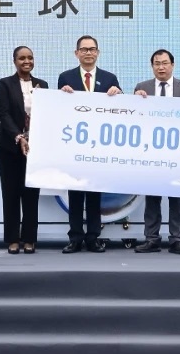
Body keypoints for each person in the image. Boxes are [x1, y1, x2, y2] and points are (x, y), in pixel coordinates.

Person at [56, 35, 122, 253]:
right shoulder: (65, 78)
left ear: (98, 53)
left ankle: (93, 237)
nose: (88, 53)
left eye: (92, 49)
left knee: (94, 193)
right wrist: (61, 95)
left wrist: (119, 94)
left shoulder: (109, 78)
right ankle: (75, 237)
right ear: (76, 53)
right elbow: (59, 109)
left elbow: (122, 109)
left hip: (99, 146)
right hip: (75, 144)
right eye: (84, 49)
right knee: (75, 193)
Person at [132, 49, 180, 255]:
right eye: (157, 63)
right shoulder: (142, 88)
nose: (161, 67)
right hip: (151, 152)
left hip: (177, 153)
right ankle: (152, 239)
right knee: (152, 198)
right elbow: (133, 116)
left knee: (177, 197)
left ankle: (177, 240)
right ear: (152, 66)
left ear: (172, 65)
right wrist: (134, 100)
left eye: (165, 63)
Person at [0, 46, 48, 255]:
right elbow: (3, 113)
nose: (27, 61)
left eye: (30, 58)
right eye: (22, 58)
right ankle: (12, 239)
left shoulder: (42, 85)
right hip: (9, 146)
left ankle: (29, 239)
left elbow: (47, 113)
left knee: (31, 193)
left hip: (35, 148)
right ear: (14, 61)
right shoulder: (5, 84)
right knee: (11, 193)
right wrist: (19, 136)